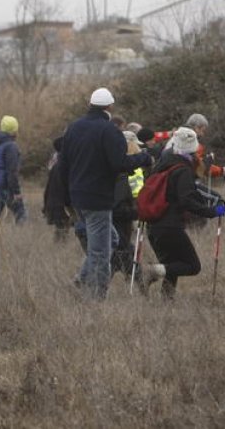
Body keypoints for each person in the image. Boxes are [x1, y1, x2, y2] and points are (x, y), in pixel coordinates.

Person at [58, 88, 153, 300]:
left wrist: (66, 197)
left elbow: (63, 164)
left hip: (77, 197)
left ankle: (80, 281)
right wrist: (144, 158)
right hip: (97, 199)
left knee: (111, 239)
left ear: (90, 105)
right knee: (101, 251)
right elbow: (120, 163)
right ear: (110, 106)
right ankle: (97, 297)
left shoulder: (74, 128)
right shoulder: (109, 130)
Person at [140, 127, 225, 298]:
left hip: (153, 226)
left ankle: (167, 301)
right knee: (193, 266)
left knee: (172, 265)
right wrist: (213, 211)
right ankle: (152, 271)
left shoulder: (162, 165)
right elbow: (187, 200)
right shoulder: (183, 170)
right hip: (170, 226)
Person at [110, 131, 147, 283]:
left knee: (118, 258)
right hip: (119, 225)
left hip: (122, 224)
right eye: (136, 146)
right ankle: (141, 286)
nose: (139, 150)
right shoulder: (122, 176)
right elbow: (117, 208)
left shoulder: (120, 171)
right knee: (125, 255)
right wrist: (137, 212)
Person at [0, 115, 26, 226]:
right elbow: (12, 171)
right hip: (5, 186)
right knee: (20, 213)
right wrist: (16, 192)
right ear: (14, 130)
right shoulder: (11, 146)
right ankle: (22, 234)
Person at [41, 135, 73, 243]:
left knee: (61, 229)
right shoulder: (64, 166)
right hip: (62, 204)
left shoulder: (56, 165)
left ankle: (59, 245)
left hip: (55, 203)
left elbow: (48, 189)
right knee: (63, 228)